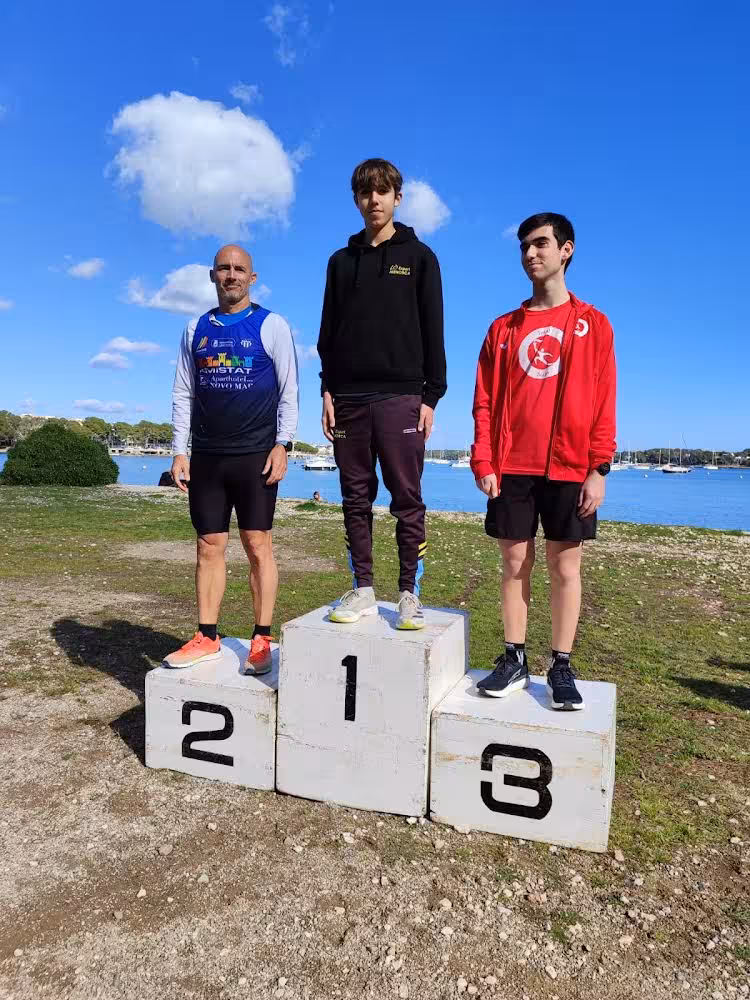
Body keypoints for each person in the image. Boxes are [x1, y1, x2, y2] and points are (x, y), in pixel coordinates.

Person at [471, 213, 616, 710]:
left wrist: (599, 468)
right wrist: (483, 460)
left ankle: (561, 663)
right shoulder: (503, 329)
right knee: (514, 563)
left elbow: (604, 400)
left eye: (540, 244)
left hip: (570, 466)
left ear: (566, 250)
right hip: (512, 466)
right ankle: (514, 657)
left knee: (564, 566)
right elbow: (484, 401)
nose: (531, 254)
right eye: (524, 247)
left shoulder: (594, 325)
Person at [317, 158, 447, 629]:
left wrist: (431, 397)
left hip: (402, 398)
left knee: (407, 499)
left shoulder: (420, 258)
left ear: (397, 198)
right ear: (356, 200)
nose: (374, 200)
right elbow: (327, 335)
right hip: (348, 398)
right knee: (355, 498)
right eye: (365, 192)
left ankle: (410, 593)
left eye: (383, 191)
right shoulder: (340, 262)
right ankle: (364, 589)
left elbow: (435, 332)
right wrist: (327, 390)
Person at [165, 245, 298, 674]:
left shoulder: (271, 324)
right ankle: (207, 635)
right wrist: (179, 450)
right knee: (208, 545)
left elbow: (288, 391)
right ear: (212, 275)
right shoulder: (195, 329)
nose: (231, 275)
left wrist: (284, 444)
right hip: (207, 456)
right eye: (224, 268)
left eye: (240, 269)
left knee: (258, 545)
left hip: (256, 455)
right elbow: (184, 392)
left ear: (252, 278)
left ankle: (262, 637)